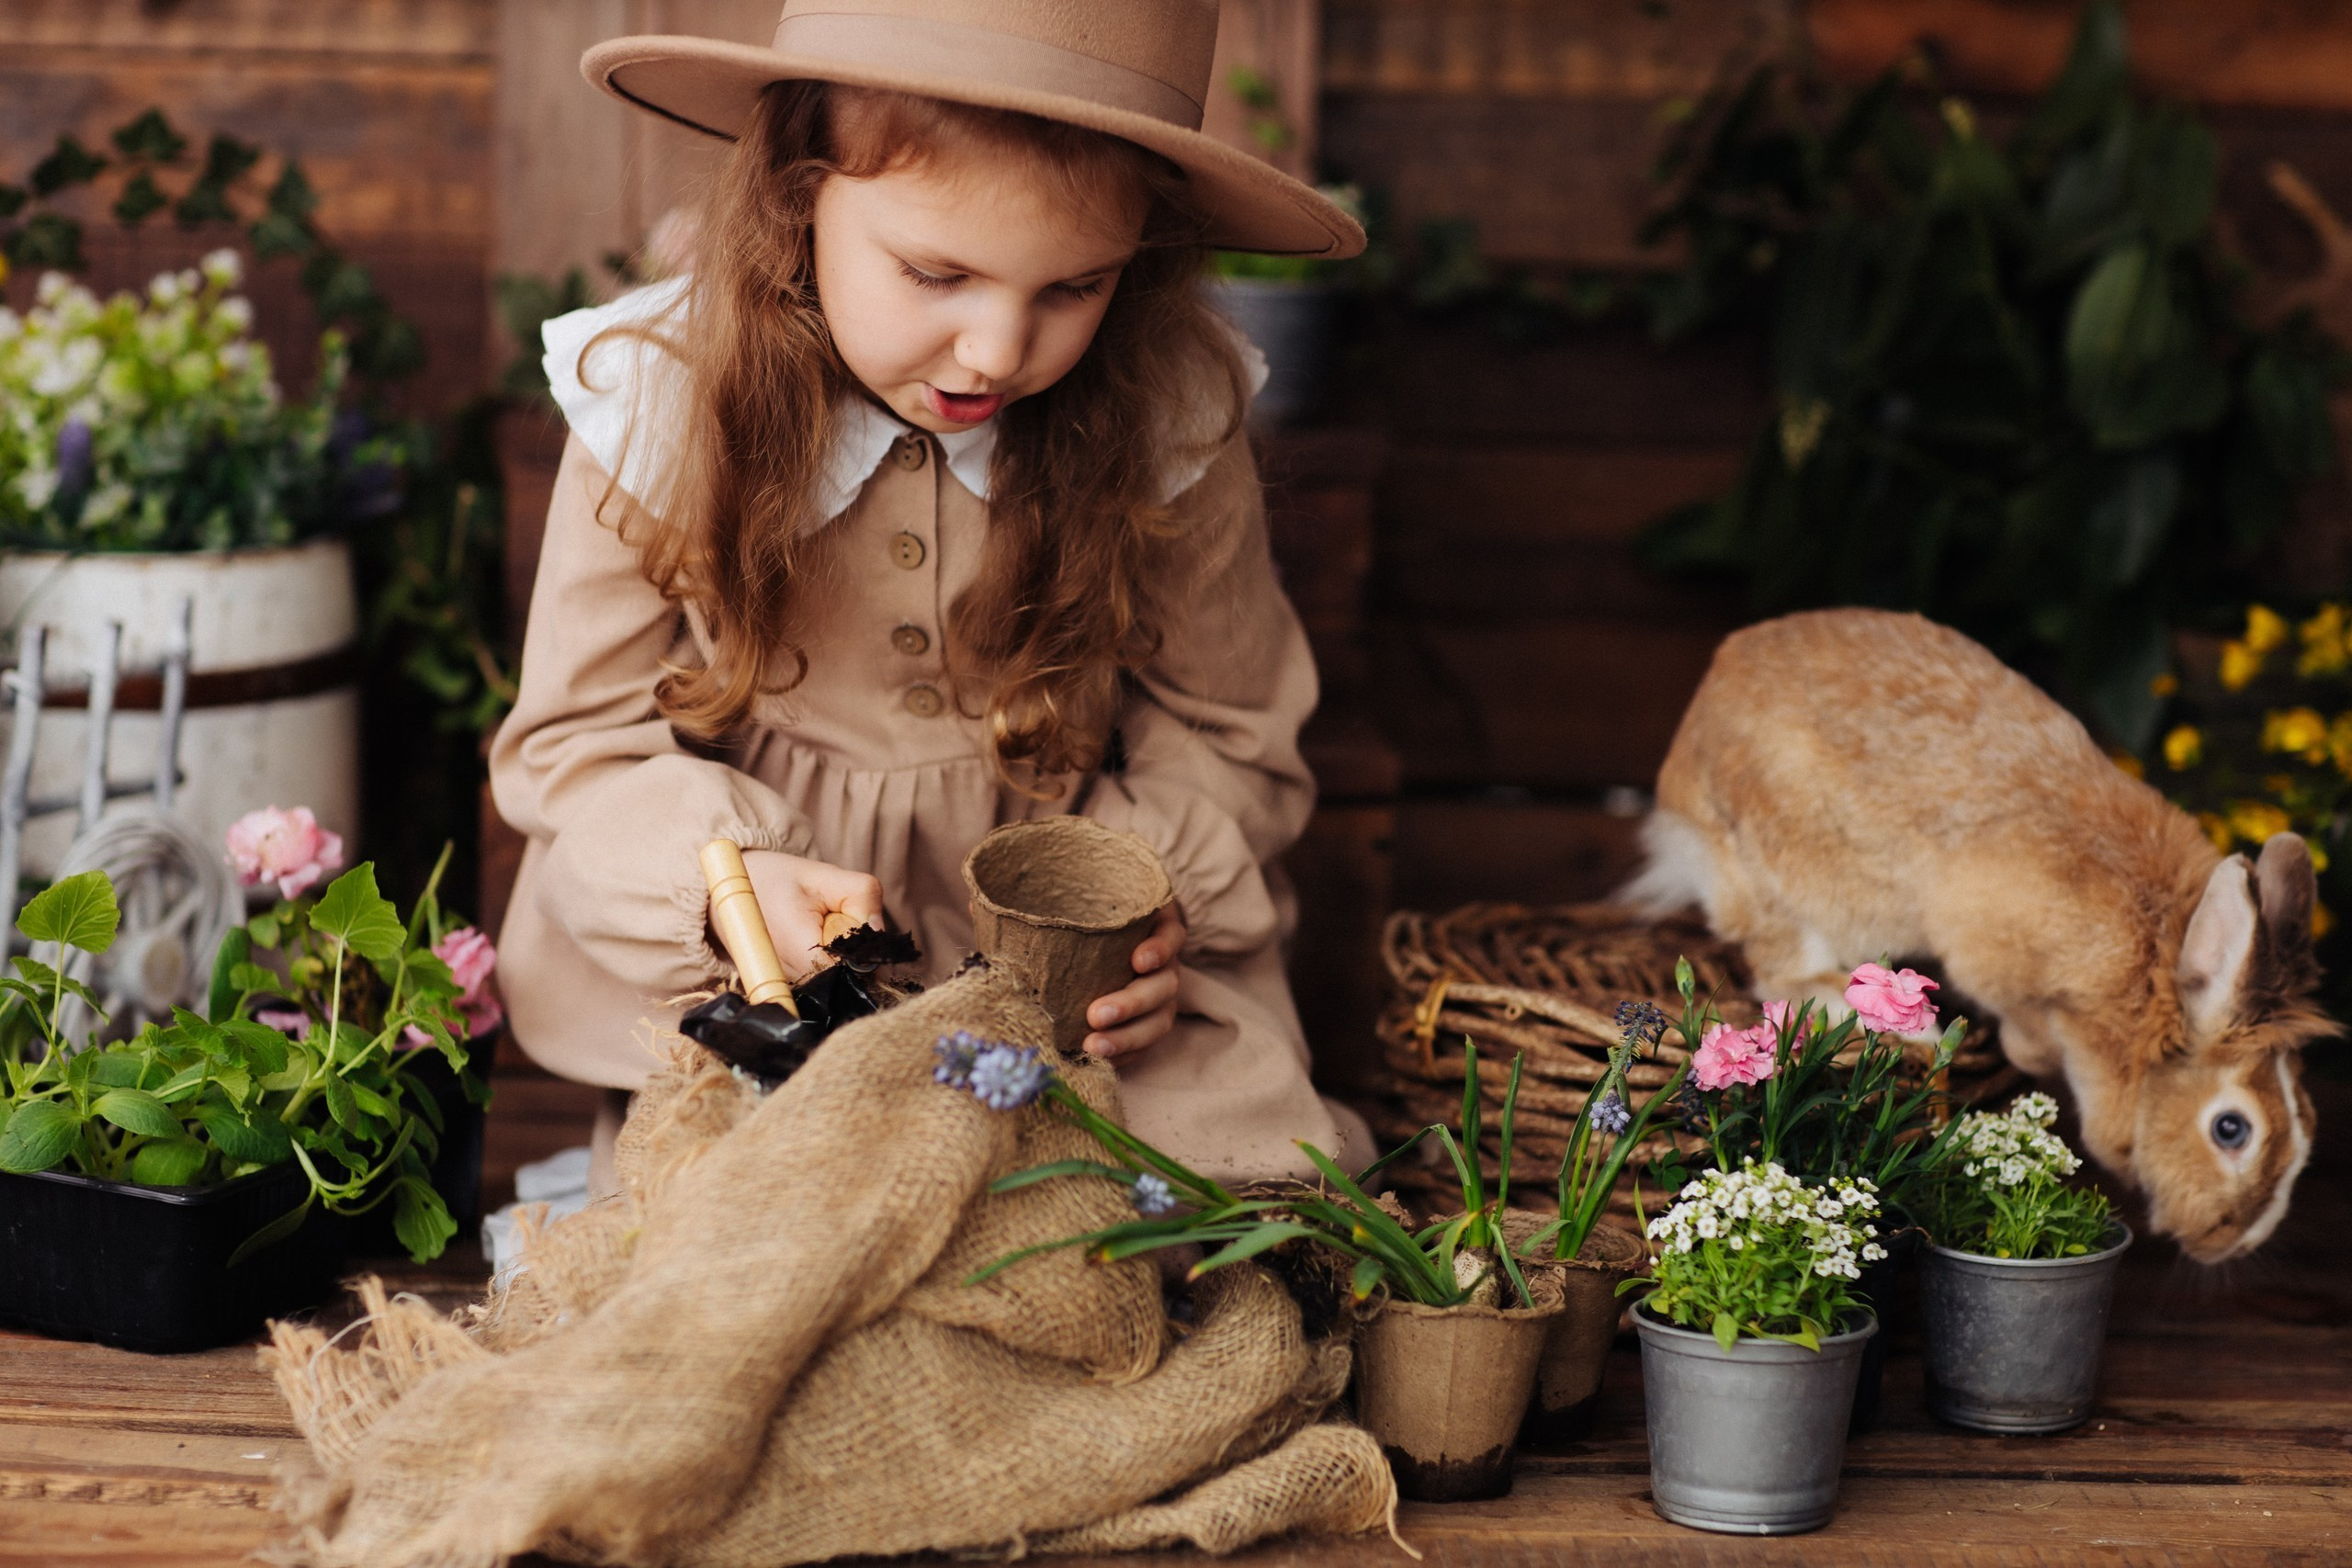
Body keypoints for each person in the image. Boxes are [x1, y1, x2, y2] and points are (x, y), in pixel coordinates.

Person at [491, 0, 1373, 1191]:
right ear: (800, 193)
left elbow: (1236, 733)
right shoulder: (660, 404)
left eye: (1076, 286)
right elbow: (573, 748)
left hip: (1059, 939)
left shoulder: (1166, 418)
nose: (998, 351)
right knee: (762, 1200)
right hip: (774, 955)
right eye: (936, 273)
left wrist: (1136, 907)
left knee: (1217, 1185)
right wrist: (729, 891)